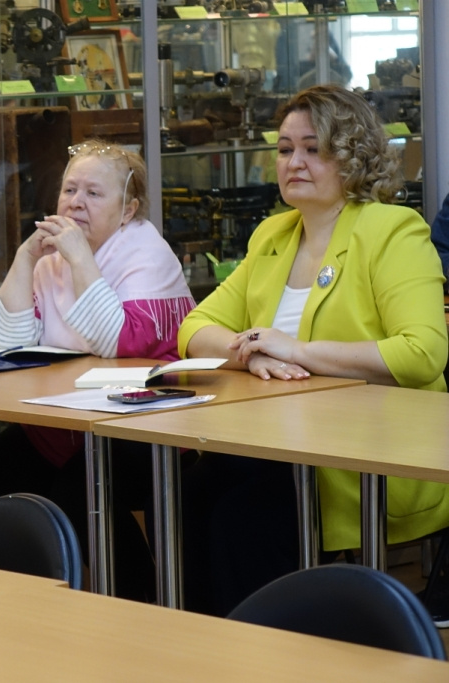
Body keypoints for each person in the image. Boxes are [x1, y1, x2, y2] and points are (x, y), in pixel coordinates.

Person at [178, 84, 449, 616]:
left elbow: (421, 354)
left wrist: (297, 350)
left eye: (313, 149)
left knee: (241, 517)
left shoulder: (393, 230)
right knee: (194, 493)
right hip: (273, 444)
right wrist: (253, 354)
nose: (293, 162)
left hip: (365, 451)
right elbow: (195, 328)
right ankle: (201, 643)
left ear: (352, 156)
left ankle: (265, 648)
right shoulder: (273, 235)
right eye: (284, 149)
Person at [0, 140, 196, 600]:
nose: (76, 203)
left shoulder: (146, 252)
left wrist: (80, 257)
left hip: (145, 428)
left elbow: (116, 341)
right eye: (69, 190)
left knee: (82, 492)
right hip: (65, 425)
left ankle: (142, 609)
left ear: (128, 210)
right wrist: (26, 258)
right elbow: (7, 339)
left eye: (93, 193)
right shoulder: (50, 256)